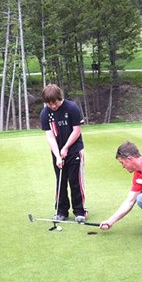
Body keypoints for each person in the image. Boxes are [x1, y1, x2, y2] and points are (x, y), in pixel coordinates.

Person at [40, 84, 87, 222]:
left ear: (60, 98)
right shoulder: (45, 113)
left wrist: (65, 148)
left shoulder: (71, 108)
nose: (53, 106)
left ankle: (79, 211)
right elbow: (49, 136)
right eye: (49, 104)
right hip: (57, 152)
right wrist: (57, 155)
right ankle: (61, 212)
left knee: (75, 181)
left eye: (55, 102)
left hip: (74, 150)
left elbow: (77, 130)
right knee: (60, 181)